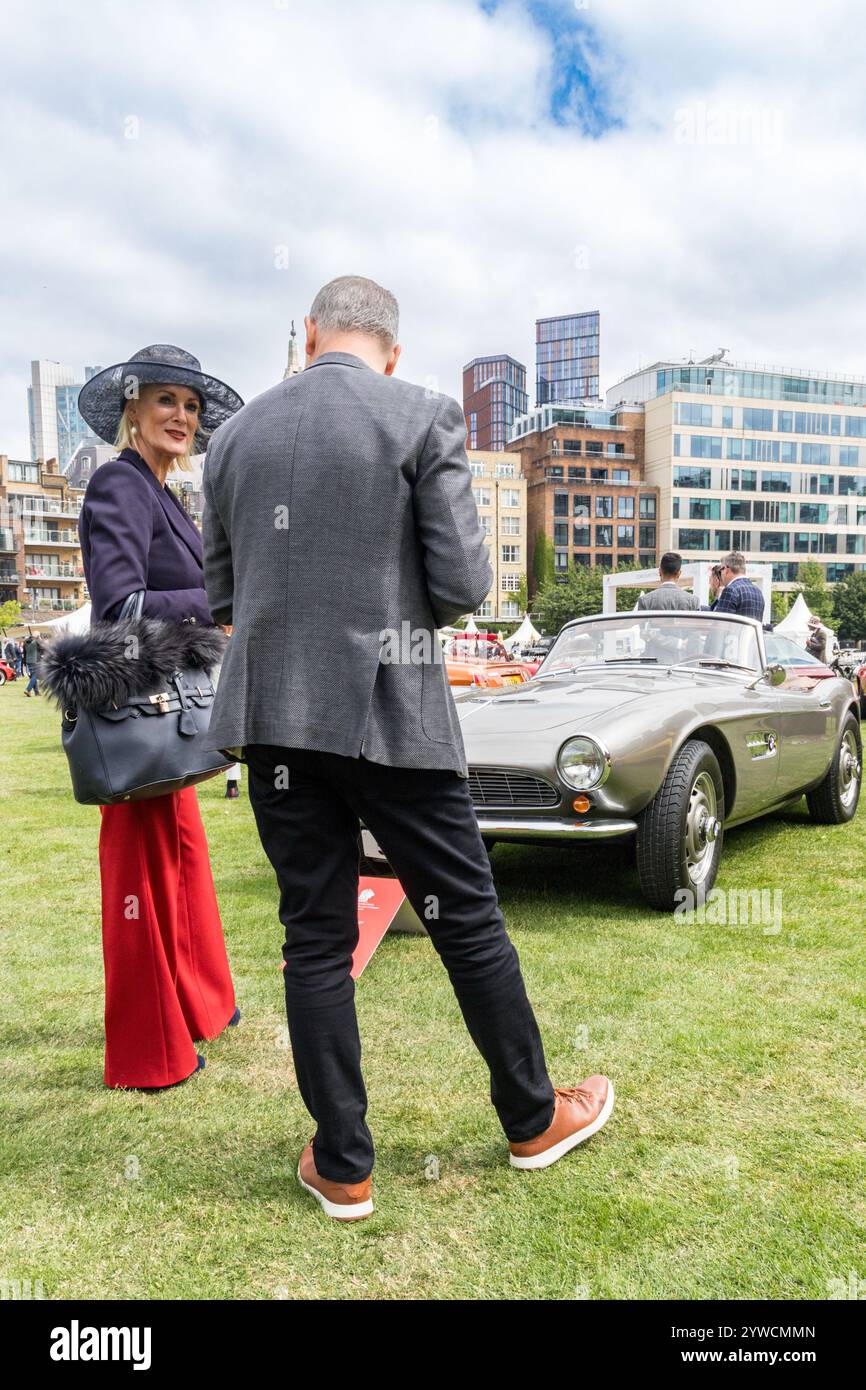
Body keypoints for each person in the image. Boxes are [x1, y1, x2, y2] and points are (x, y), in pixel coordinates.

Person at [202, 276, 614, 1222]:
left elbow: (224, 595)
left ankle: (343, 1164)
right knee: (466, 918)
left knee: (314, 937)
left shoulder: (232, 438)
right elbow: (466, 583)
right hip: (393, 712)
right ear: (393, 345)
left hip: (272, 721)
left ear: (311, 336)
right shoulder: (422, 415)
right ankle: (532, 1118)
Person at [75, 344, 244, 1089]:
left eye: (192, 406)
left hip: (169, 712)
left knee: (183, 859)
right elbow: (121, 606)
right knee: (142, 873)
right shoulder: (119, 483)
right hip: (139, 712)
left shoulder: (165, 494)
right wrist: (220, 605)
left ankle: (200, 1006)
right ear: (133, 411)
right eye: (166, 401)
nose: (182, 416)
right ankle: (148, 1053)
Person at [711, 551, 766, 620]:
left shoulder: (731, 590)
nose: (721, 573)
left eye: (721, 570)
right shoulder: (758, 592)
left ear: (726, 569)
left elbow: (719, 624)